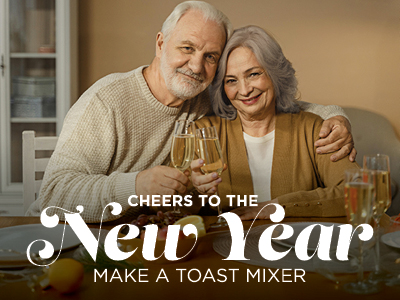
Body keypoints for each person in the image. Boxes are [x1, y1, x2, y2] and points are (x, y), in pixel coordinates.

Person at [27, 1, 354, 222]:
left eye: (211, 56)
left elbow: (277, 105)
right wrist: (137, 186)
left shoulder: (205, 96)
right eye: (187, 48)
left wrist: (337, 117)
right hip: (71, 234)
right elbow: (54, 197)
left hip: (146, 234)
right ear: (160, 44)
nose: (196, 66)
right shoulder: (106, 102)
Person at [191, 25, 359, 219]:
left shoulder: (314, 129)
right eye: (231, 81)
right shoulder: (202, 133)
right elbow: (171, 207)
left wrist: (278, 206)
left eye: (253, 74)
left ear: (274, 74)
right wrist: (196, 195)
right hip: (225, 247)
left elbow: (358, 193)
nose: (244, 90)